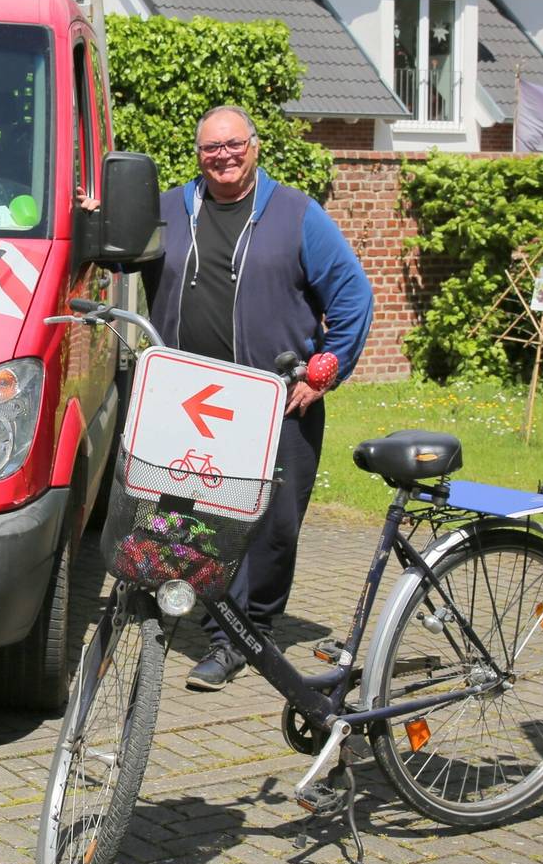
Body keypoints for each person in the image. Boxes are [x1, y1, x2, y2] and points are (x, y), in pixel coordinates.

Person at [142, 106, 374, 690]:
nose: (223, 156)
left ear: (256, 146)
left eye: (233, 144)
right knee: (188, 515)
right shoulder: (169, 210)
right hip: (188, 397)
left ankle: (241, 638)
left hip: (272, 400)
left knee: (268, 528)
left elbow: (352, 296)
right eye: (210, 148)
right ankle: (181, 610)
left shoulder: (298, 215)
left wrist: (322, 375)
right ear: (197, 154)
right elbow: (112, 252)